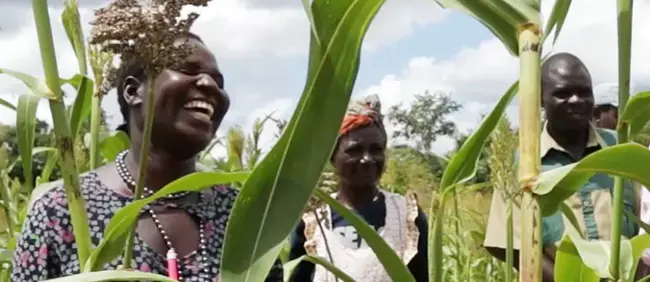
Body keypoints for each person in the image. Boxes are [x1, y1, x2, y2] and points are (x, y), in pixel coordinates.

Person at [11, 32, 283, 282]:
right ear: (133, 91)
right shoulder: (64, 211)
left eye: (219, 81)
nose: (210, 85)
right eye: (187, 70)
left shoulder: (242, 216)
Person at [483, 52, 639, 281]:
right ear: (540, 99)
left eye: (585, 92)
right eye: (562, 93)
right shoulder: (523, 163)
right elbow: (504, 244)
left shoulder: (623, 149)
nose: (577, 100)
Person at [287, 94, 429, 282]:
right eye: (354, 150)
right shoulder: (313, 221)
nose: (367, 159)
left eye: (376, 150)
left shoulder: (407, 216)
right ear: (332, 157)